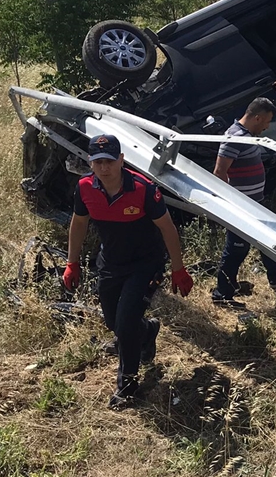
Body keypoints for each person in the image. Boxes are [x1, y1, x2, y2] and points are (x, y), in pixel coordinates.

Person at [64, 134, 193, 409]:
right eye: (98, 162)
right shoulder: (85, 187)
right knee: (114, 323)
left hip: (145, 263)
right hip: (110, 263)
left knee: (125, 323)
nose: (104, 167)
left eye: (109, 161)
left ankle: (128, 384)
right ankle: (147, 331)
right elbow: (78, 224)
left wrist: (178, 269)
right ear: (90, 162)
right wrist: (72, 263)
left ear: (121, 160)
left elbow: (168, 228)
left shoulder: (143, 189)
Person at [211, 98, 276, 308]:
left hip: (255, 201)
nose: (267, 127)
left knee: (267, 238)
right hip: (242, 205)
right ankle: (222, 294)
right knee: (237, 249)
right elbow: (219, 172)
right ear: (257, 117)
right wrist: (232, 201)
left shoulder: (245, 136)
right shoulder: (235, 137)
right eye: (266, 122)